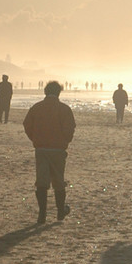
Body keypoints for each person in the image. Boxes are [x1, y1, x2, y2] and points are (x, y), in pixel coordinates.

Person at [22, 81, 76, 223]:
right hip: (58, 149)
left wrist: (35, 138)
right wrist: (65, 141)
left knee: (42, 181)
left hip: (41, 148)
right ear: (58, 93)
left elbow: (27, 124)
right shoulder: (64, 109)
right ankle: (60, 212)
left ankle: (42, 213)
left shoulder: (37, 107)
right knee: (58, 180)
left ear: (45, 92)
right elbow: (70, 128)